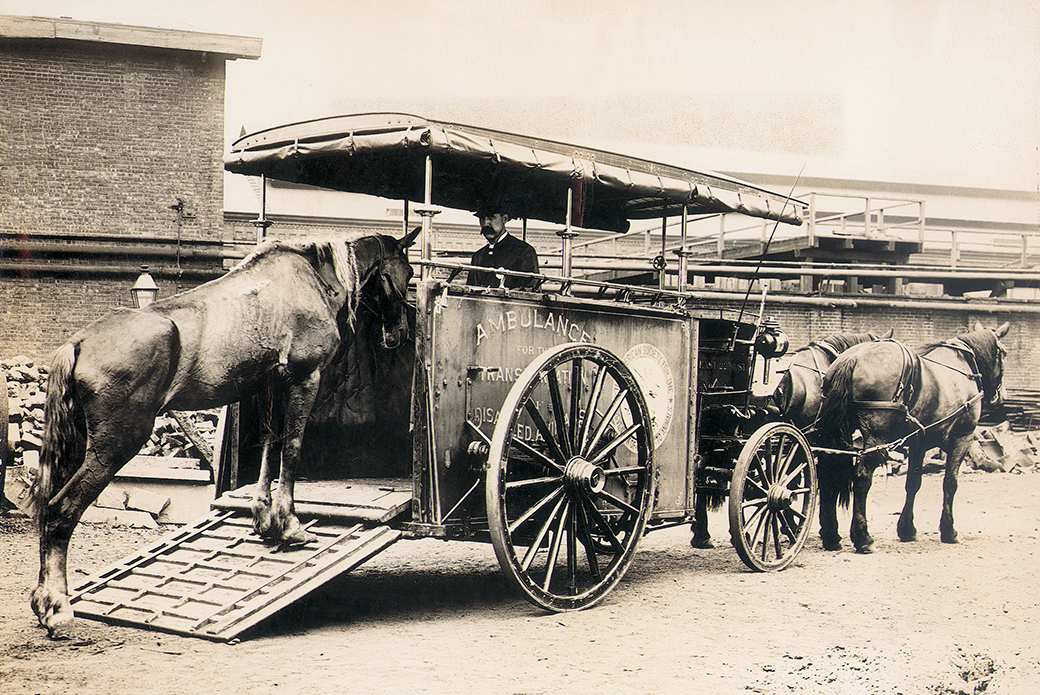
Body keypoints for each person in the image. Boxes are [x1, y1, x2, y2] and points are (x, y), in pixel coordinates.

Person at [466, 210, 540, 289]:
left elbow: (531, 290)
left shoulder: (524, 251)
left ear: (504, 219)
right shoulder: (478, 256)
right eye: (482, 218)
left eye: (491, 217)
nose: (485, 223)